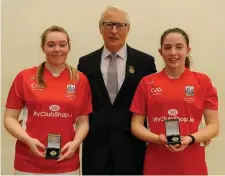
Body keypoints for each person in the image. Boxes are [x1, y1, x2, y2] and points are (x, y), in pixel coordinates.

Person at [78, 5, 157, 175]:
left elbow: (156, 103)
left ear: (128, 29)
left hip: (132, 148)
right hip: (95, 150)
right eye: (108, 25)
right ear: (100, 28)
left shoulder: (145, 63)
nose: (114, 31)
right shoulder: (85, 63)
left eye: (120, 25)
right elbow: (78, 104)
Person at [3, 25, 92, 175]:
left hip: (66, 162)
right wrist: (28, 140)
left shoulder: (80, 79)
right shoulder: (24, 77)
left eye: (62, 45)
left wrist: (76, 143)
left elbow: (83, 121)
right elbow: (9, 119)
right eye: (51, 45)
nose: (57, 49)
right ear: (43, 48)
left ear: (69, 47)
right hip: (28, 162)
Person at [130, 27, 219, 175]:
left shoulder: (203, 81)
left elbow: (214, 126)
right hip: (157, 163)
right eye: (167, 47)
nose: (173, 53)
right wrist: (158, 139)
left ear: (188, 50)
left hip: (192, 164)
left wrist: (190, 139)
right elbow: (136, 126)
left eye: (179, 47)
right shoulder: (147, 82)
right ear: (160, 52)